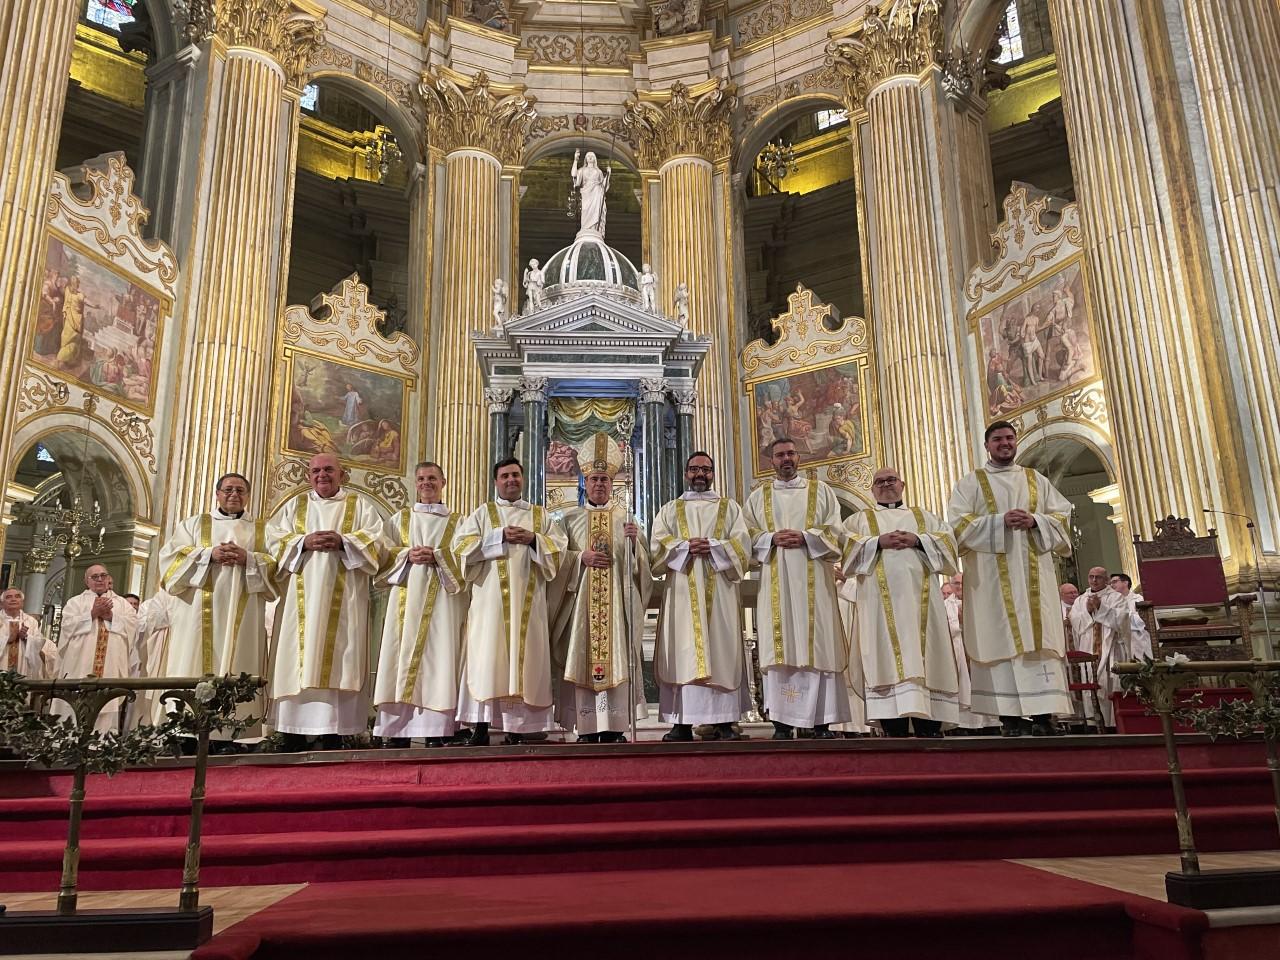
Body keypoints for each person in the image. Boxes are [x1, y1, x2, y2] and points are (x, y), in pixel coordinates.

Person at [948, 421, 1074, 737]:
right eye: (998, 439)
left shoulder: (1036, 481)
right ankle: (1010, 720)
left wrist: (1036, 521)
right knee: (999, 640)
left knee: (1039, 642)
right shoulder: (970, 484)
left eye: (1009, 438)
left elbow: (1061, 516)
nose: (1005, 443)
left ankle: (1045, 717)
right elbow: (957, 528)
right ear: (987, 445)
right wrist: (997, 522)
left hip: (1035, 581)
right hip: (991, 584)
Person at [266, 453, 386, 750]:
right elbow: (271, 542)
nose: (322, 475)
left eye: (329, 470)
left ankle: (333, 732)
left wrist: (344, 542)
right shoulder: (294, 506)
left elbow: (378, 545)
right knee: (298, 659)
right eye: (316, 471)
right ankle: (291, 733)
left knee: (340, 658)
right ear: (309, 476)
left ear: (342, 475)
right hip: (299, 603)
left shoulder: (361, 507)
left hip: (345, 602)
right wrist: (302, 542)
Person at [452, 458, 567, 746]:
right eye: (505, 476)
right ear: (496, 481)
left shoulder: (540, 516)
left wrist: (532, 540)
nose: (511, 480)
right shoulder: (482, 514)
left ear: (523, 478)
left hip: (530, 605)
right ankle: (480, 728)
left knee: (525, 660)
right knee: (486, 661)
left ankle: (519, 730)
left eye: (516, 474)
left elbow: (559, 550)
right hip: (489, 605)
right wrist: (497, 536)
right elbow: (461, 549)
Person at [156, 472, 277, 745]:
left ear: (248, 496)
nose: (234, 495)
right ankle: (186, 730)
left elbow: (275, 567)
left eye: (241, 490)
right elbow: (169, 561)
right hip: (197, 615)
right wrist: (209, 554)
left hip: (243, 616)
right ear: (217, 493)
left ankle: (234, 732)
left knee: (240, 665)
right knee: (193, 662)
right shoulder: (194, 525)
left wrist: (249, 558)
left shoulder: (262, 529)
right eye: (228, 489)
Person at [843, 468, 959, 737]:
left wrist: (918, 539)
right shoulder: (859, 521)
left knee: (926, 655)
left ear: (902, 485)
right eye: (879, 482)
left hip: (923, 605)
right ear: (871, 490)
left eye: (891, 480)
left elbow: (950, 547)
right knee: (884, 654)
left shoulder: (924, 517)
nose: (886, 485)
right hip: (878, 608)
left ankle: (928, 725)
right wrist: (877, 542)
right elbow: (846, 552)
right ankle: (892, 725)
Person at [746, 438, 849, 739]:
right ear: (771, 461)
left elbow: (837, 532)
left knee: (817, 647)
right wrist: (770, 539)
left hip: (815, 584)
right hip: (776, 586)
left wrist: (806, 537)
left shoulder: (822, 492)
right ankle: (781, 723)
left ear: (799, 457)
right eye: (779, 455)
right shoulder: (758, 497)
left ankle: (821, 723)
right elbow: (746, 536)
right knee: (782, 649)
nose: (786, 459)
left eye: (791, 453)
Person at [650, 452, 752, 742]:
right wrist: (684, 547)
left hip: (720, 591)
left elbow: (743, 546)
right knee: (683, 651)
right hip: (682, 592)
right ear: (685, 473)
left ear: (713, 474)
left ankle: (724, 721)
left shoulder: (729, 508)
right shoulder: (671, 509)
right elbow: (656, 546)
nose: (700, 474)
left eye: (706, 469)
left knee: (721, 650)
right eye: (694, 469)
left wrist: (714, 547)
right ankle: (680, 722)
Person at [555, 435, 650, 743]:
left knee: (618, 661)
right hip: (582, 610)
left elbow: (642, 570)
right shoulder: (569, 519)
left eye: (605, 479)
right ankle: (586, 728)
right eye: (594, 479)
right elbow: (555, 561)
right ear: (585, 481)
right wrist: (579, 557)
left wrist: (635, 544)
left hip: (617, 610)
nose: (599, 484)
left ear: (613, 483)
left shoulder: (627, 520)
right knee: (582, 660)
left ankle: (616, 726)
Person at [372, 462, 466, 748]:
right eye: (422, 478)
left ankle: (438, 731)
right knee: (398, 659)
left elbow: (466, 557)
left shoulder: (458, 522)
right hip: (406, 599)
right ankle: (396, 730)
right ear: (415, 484)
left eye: (433, 478)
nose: (427, 483)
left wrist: (438, 556)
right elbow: (382, 555)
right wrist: (406, 556)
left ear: (444, 482)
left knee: (440, 659)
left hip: (443, 605)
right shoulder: (399, 520)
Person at [51, 565, 136, 732]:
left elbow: (133, 626)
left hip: (110, 663)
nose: (99, 579)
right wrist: (92, 614)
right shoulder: (75, 602)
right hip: (79, 663)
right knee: (75, 702)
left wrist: (111, 616)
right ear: (86, 581)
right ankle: (71, 742)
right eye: (94, 576)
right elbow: (67, 627)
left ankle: (103, 745)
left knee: (107, 702)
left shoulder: (122, 604)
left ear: (108, 578)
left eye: (103, 575)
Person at [943, 573, 994, 732]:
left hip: (980, 650)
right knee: (963, 687)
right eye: (956, 583)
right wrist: (960, 622)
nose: (959, 586)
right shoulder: (945, 605)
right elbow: (945, 630)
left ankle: (989, 723)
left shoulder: (980, 601)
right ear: (951, 585)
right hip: (958, 651)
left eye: (962, 583)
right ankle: (963, 724)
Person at [0, 588, 57, 678]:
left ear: (22, 603)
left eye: (17, 596)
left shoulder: (31, 621)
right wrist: (7, 639)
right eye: (8, 597)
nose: (13, 599)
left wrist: (26, 638)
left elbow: (38, 644)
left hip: (23, 667)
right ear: (2, 604)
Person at [571, 149, 610, 237]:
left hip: (596, 194)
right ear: (585, 159)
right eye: (588, 156)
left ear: (595, 159)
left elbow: (603, 186)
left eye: (592, 156)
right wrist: (575, 160)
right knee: (585, 210)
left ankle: (595, 228)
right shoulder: (582, 170)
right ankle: (585, 228)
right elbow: (574, 175)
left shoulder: (599, 171)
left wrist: (608, 174)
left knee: (596, 210)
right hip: (586, 193)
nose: (590, 157)